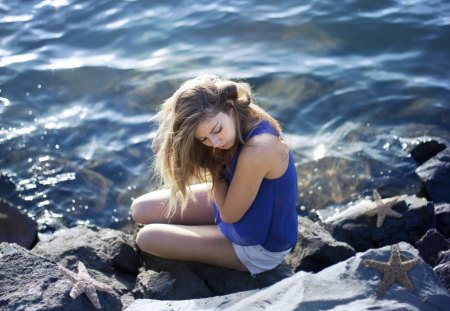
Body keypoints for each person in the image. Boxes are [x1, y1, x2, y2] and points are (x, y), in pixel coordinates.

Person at [131, 74, 298, 276]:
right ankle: (205, 230)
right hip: (234, 200)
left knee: (147, 238)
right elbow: (194, 99)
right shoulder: (228, 108)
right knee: (139, 209)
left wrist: (212, 164)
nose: (215, 143)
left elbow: (229, 215)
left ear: (230, 107)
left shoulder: (259, 148)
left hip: (259, 246)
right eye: (203, 139)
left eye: (217, 130)